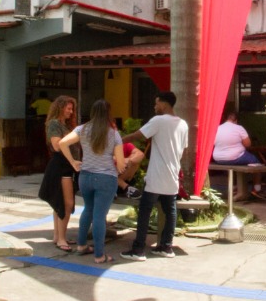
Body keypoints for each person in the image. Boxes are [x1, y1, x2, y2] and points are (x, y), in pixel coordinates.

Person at [123, 92, 189, 262]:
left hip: (156, 176)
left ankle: (138, 250)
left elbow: (138, 135)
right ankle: (166, 246)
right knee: (170, 211)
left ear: (164, 104)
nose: (154, 107)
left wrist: (118, 140)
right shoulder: (183, 124)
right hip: (172, 175)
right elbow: (184, 150)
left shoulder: (158, 121)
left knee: (144, 211)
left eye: (156, 103)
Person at [59, 100, 127, 264]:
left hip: (85, 176)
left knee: (88, 210)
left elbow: (62, 143)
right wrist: (120, 165)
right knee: (99, 215)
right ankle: (99, 255)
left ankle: (82, 246)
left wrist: (73, 162)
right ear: (108, 113)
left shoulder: (82, 129)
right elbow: (121, 162)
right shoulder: (113, 133)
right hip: (106, 179)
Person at [39, 96, 79, 252]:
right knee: (66, 204)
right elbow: (57, 146)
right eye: (68, 108)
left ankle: (58, 236)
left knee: (59, 203)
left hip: (64, 167)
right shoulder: (55, 124)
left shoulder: (64, 125)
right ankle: (62, 238)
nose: (70, 111)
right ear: (60, 108)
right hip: (61, 167)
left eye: (71, 109)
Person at [212, 103, 263, 196]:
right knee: (257, 163)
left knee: (234, 165)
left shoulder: (217, 128)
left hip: (218, 158)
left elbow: (213, 143)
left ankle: (234, 187)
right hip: (235, 157)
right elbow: (248, 144)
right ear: (235, 120)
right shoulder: (239, 128)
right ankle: (257, 189)